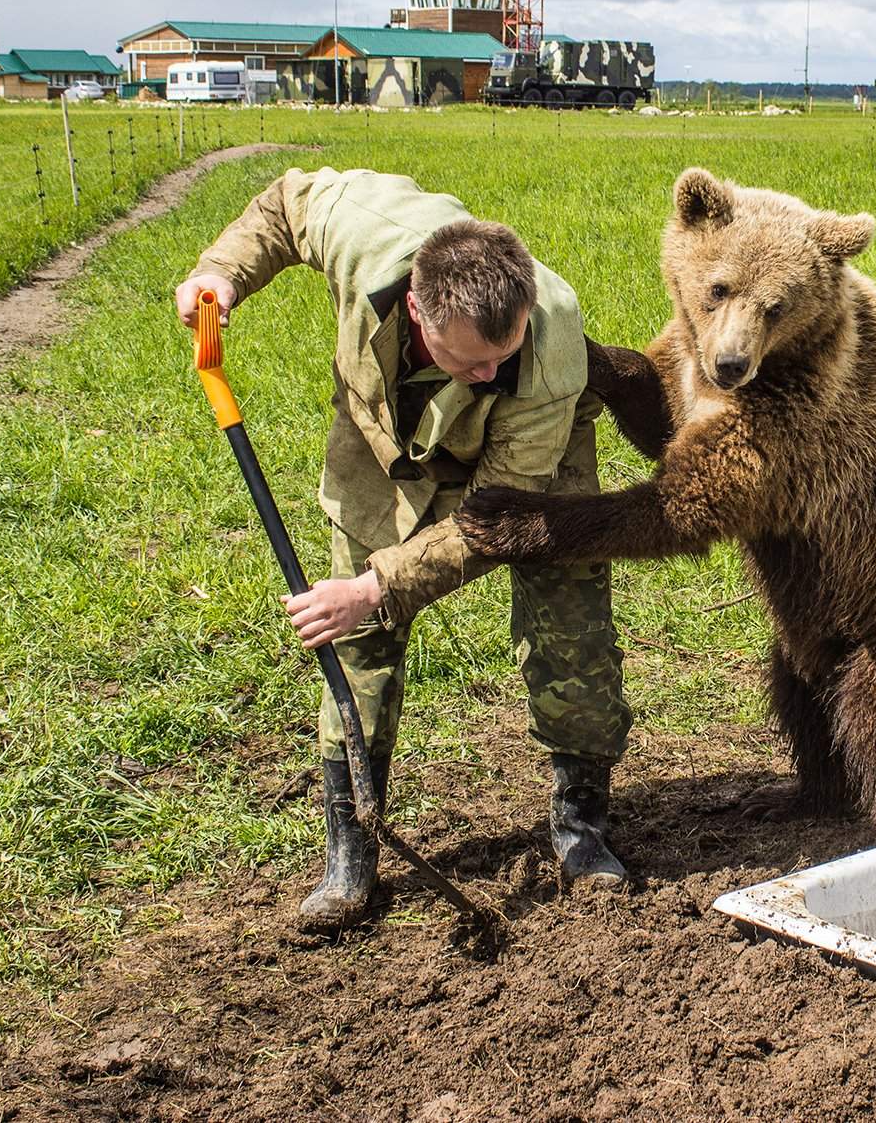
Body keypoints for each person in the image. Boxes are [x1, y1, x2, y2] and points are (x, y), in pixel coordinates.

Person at [175, 166, 631, 933]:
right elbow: (287, 203)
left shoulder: (548, 354)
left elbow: (493, 518)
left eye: (500, 355)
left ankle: (581, 829)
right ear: (417, 309)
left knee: (574, 639)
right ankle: (350, 854)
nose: (489, 372)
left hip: (532, 472)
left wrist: (377, 583)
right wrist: (220, 272)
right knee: (354, 638)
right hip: (385, 448)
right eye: (470, 361)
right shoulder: (364, 227)